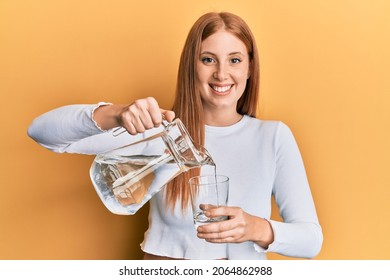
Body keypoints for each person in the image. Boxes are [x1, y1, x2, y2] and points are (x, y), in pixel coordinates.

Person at [28, 12, 323, 260]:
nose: (221, 74)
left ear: (250, 68)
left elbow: (311, 240)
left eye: (234, 60)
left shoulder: (273, 137)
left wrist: (256, 228)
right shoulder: (161, 130)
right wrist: (115, 114)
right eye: (208, 60)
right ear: (190, 67)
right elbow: (43, 132)